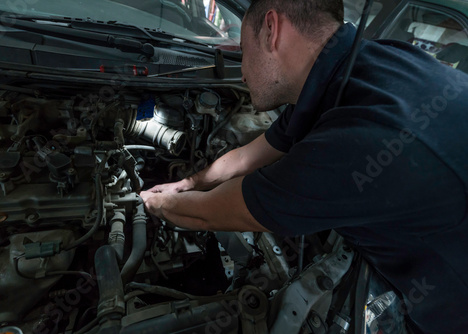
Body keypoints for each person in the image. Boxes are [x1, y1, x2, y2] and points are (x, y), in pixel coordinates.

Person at [140, 0, 468, 332]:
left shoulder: (361, 142)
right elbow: (248, 156)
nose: (240, 69)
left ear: (271, 29)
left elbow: (214, 212)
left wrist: (155, 202)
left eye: (242, 48)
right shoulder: (359, 67)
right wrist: (190, 183)